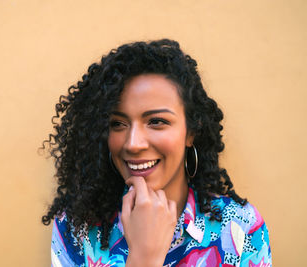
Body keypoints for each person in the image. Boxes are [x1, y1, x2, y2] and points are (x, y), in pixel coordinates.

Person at [42, 39, 272, 267]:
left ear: (191, 132)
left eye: (156, 121)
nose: (133, 144)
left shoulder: (241, 227)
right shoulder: (75, 227)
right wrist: (143, 258)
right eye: (117, 123)